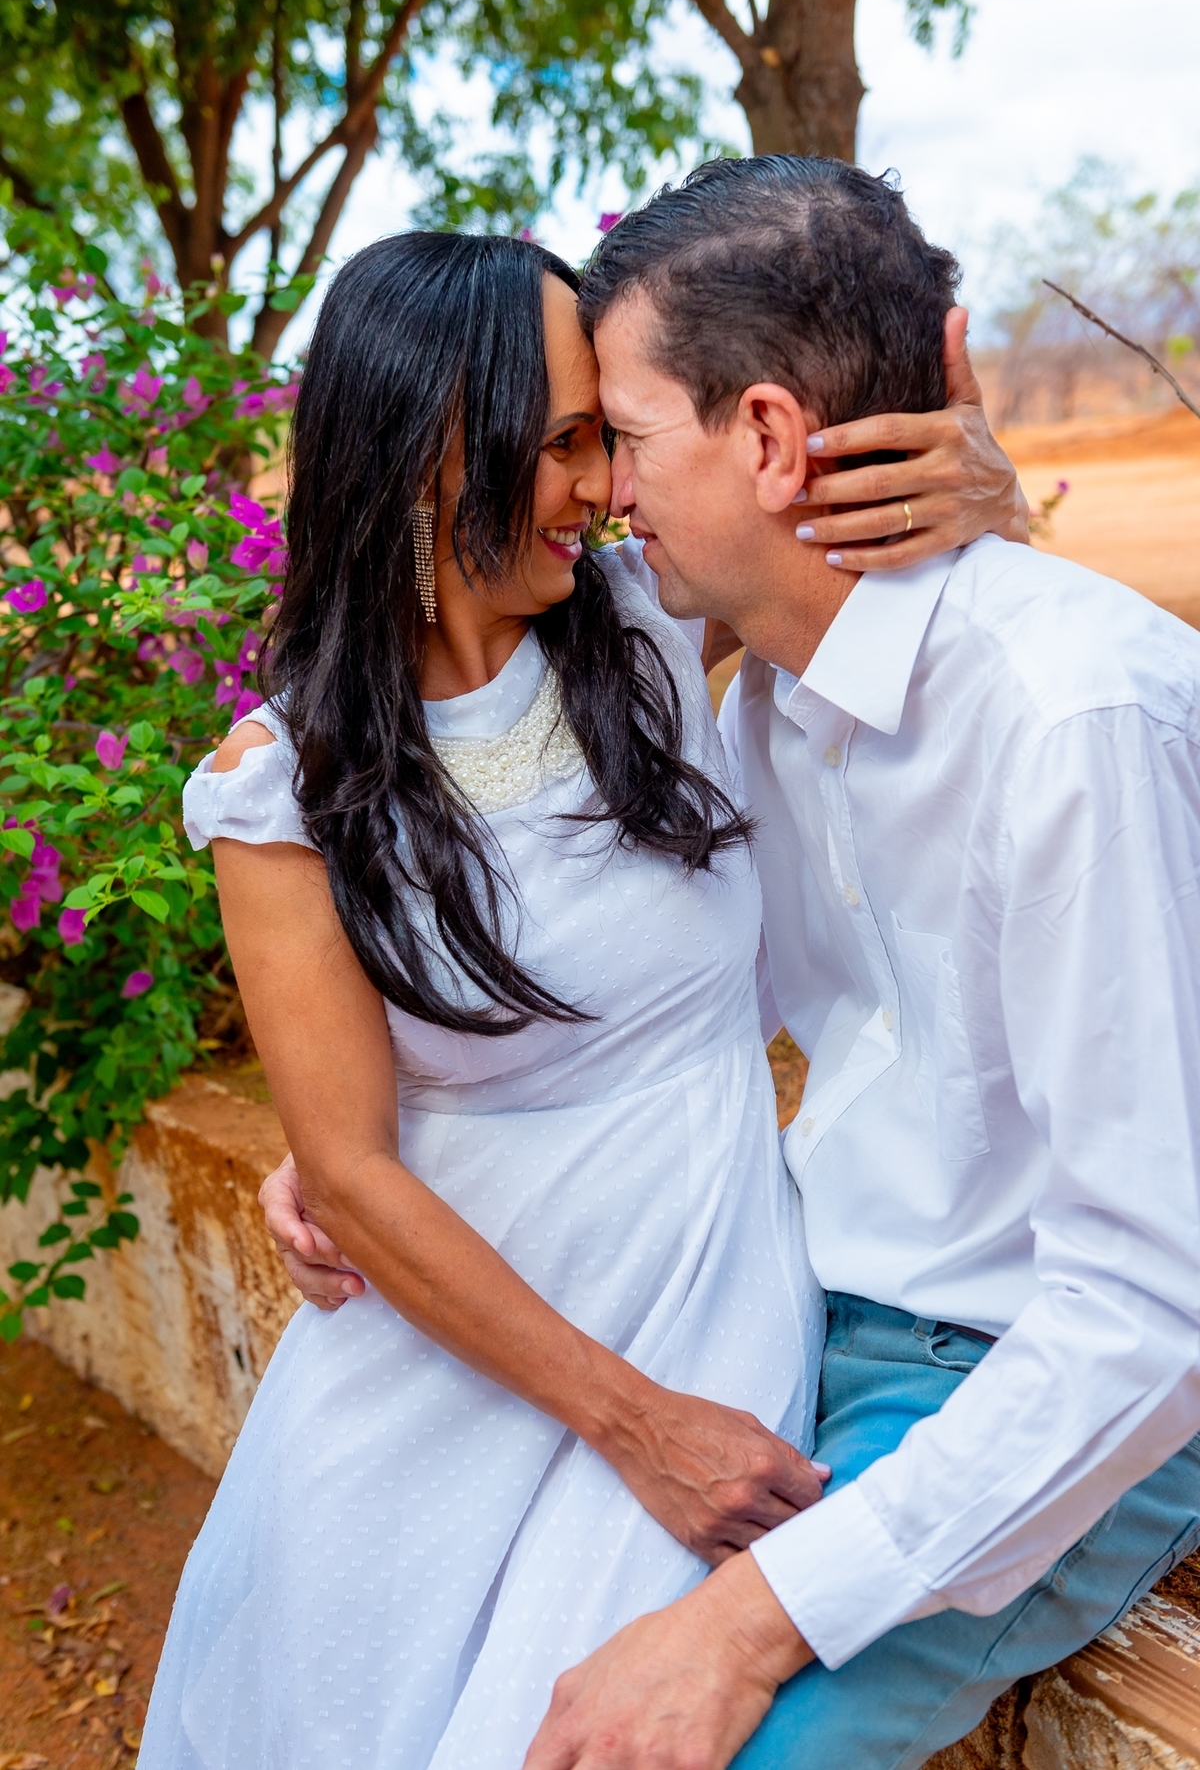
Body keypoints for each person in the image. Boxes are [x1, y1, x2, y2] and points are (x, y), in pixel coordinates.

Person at [146, 224, 1024, 1770]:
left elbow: (914, 583)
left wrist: (988, 492)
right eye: (565, 443)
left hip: (702, 1299)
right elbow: (348, 1165)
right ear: (433, 448)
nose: (607, 486)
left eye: (605, 437)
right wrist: (638, 1423)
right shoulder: (281, 788)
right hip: (450, 1376)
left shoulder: (650, 625)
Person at [473, 156, 1200, 1770]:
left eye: (624, 437)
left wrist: (745, 1625)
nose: (599, 494)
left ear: (773, 438)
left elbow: (1147, 1310)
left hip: (1033, 1374)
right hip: (799, 1314)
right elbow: (642, 1015)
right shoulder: (761, 715)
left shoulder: (1069, 717)